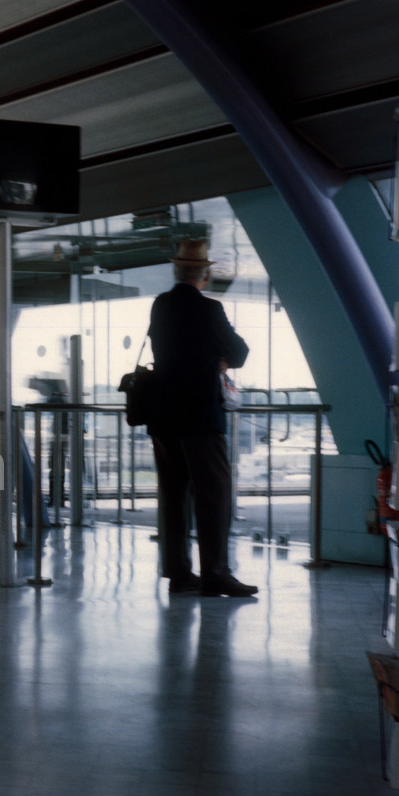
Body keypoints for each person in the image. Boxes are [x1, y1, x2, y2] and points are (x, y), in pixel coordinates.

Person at [147, 240, 257, 598]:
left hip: (163, 414)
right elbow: (239, 352)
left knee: (173, 495)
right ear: (204, 276)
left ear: (176, 271)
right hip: (199, 415)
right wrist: (218, 361)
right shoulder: (210, 309)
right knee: (214, 495)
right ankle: (216, 574)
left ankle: (178, 573)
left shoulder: (160, 305)